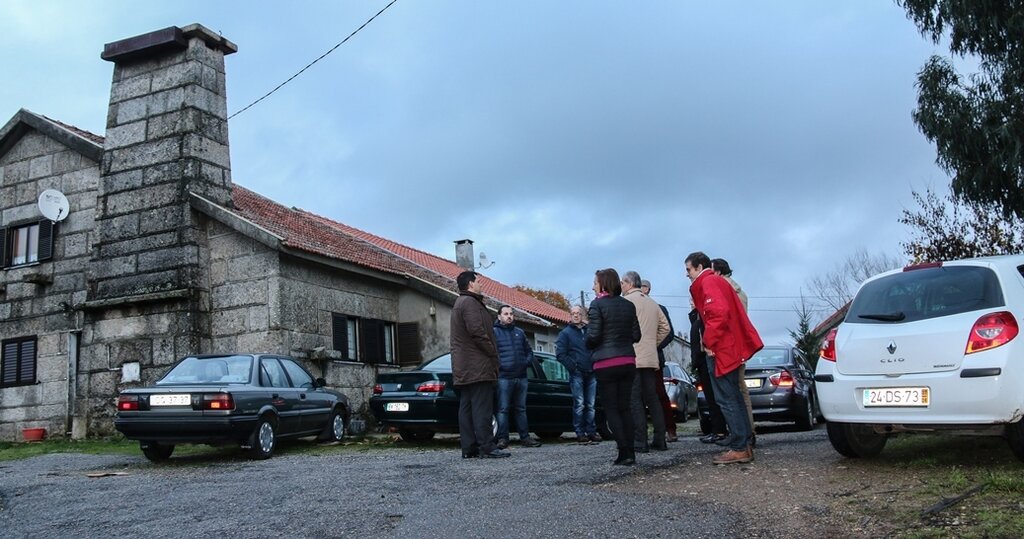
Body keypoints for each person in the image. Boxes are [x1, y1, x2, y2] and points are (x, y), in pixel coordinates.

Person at [685, 252, 763, 465]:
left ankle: (739, 446)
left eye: (689, 270)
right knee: (734, 395)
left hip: (721, 349)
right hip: (728, 346)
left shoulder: (709, 282)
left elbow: (718, 313)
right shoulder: (717, 281)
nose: (687, 275)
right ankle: (744, 441)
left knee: (726, 397)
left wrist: (709, 342)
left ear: (700, 267)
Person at [450, 270, 510, 459]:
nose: (481, 284)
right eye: (478, 281)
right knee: (481, 407)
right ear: (470, 284)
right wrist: (492, 352)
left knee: (467, 407)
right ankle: (487, 446)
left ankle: (469, 448)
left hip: (466, 365)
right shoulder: (470, 303)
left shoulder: (461, 303)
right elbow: (477, 331)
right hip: (477, 364)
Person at [586, 268, 642, 465]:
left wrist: (588, 342)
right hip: (627, 360)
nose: (592, 286)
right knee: (625, 407)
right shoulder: (628, 305)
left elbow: (593, 336)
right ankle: (632, 452)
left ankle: (623, 451)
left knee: (611, 409)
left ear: (603, 284)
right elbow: (637, 335)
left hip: (606, 363)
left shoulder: (596, 305)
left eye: (595, 283)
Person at [621, 271, 671, 452]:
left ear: (628, 283)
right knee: (653, 398)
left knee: (635, 399)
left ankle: (640, 441)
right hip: (650, 356)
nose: (621, 287)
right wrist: (652, 343)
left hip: (632, 354)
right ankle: (660, 439)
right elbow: (665, 328)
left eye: (622, 283)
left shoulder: (626, 302)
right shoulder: (652, 303)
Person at [711, 258, 755, 447]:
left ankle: (744, 434)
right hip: (736, 347)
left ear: (718, 272)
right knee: (737, 390)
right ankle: (744, 433)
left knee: (735, 392)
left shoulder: (726, 290)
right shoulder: (738, 290)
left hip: (729, 347)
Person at [493, 305, 541, 448]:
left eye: (511, 314)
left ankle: (525, 438)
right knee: (503, 409)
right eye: (506, 314)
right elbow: (492, 354)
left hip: (521, 377)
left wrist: (524, 364)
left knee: (521, 409)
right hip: (504, 377)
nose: (509, 316)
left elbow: (529, 352)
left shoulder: (519, 332)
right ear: (499, 316)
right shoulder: (494, 333)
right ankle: (503, 439)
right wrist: (502, 366)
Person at [556, 304, 600, 444]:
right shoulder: (565, 333)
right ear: (570, 316)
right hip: (577, 373)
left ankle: (592, 431)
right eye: (573, 313)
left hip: (592, 371)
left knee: (591, 404)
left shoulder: (589, 331)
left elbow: (596, 346)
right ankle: (580, 433)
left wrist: (595, 362)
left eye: (578, 313)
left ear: (582, 315)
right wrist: (573, 367)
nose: (576, 315)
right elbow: (560, 354)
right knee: (579, 404)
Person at [641, 279, 678, 442]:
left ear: (648, 289)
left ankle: (670, 429)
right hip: (637, 358)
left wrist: (653, 345)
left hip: (654, 357)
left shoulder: (659, 308)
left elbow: (669, 333)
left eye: (642, 287)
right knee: (639, 396)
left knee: (659, 394)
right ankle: (643, 433)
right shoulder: (631, 307)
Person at [690, 300, 728, 443]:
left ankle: (720, 430)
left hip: (707, 359)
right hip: (701, 361)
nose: (691, 304)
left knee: (714, 397)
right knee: (711, 397)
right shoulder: (697, 318)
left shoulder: (705, 318)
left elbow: (702, 334)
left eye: (693, 301)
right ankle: (717, 429)